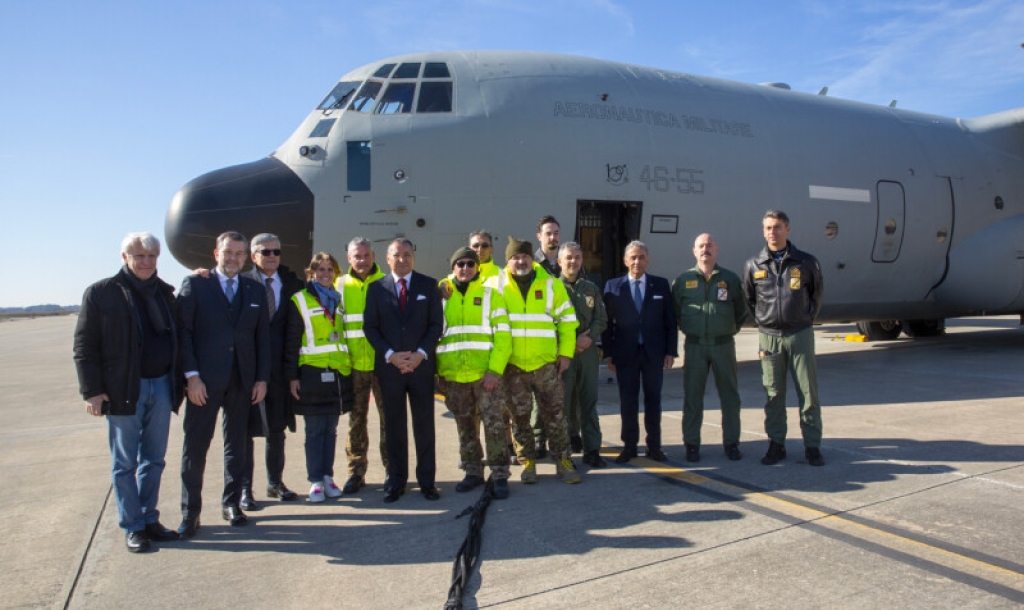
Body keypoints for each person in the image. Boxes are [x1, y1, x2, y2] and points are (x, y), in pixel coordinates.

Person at [73, 232, 182, 553]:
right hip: (124, 389)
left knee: (155, 459)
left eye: (151, 257)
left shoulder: (165, 294)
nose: (146, 262)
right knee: (125, 463)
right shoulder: (101, 294)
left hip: (161, 385)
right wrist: (91, 391)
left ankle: (149, 518)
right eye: (139, 256)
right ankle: (132, 525)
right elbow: (84, 346)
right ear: (125, 258)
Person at [176, 231, 270, 536]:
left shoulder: (254, 290)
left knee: (237, 446)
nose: (234, 258)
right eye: (229, 252)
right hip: (204, 382)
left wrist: (261, 379)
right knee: (196, 447)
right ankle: (191, 511)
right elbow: (183, 334)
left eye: (240, 254)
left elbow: (262, 339)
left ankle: (232, 503)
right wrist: (191, 377)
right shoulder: (196, 285)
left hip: (242, 381)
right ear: (216, 253)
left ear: (247, 257)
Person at [363, 239, 444, 503]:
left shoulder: (428, 285)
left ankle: (427, 482)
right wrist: (391, 356)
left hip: (420, 368)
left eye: (407, 255)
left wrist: (420, 354)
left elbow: (435, 326)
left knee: (424, 427)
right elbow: (370, 328)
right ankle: (396, 481)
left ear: (414, 257)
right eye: (397, 255)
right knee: (394, 428)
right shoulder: (376, 289)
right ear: (387, 259)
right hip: (391, 369)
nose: (402, 260)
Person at [742, 210, 825, 466]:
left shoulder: (806, 262)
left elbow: (816, 295)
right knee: (774, 394)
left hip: (799, 333)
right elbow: (750, 298)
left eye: (777, 227)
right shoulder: (754, 264)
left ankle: (812, 446)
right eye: (767, 227)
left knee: (808, 393)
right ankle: (776, 444)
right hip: (770, 337)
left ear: (787, 229)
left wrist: (804, 317)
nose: (772, 232)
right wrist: (765, 320)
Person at [497, 237, 581, 484]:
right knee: (520, 418)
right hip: (513, 367)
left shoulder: (552, 284)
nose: (520, 261)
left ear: (532, 258)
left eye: (524, 256)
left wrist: (565, 354)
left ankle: (563, 460)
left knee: (555, 415)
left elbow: (567, 321)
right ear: (508, 261)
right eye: (514, 257)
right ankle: (528, 462)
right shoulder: (496, 286)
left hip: (546, 365)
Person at [436, 247, 513, 498]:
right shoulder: (442, 297)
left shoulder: (491, 296)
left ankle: (500, 474)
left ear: (477, 267)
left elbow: (503, 337)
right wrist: (440, 373)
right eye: (460, 264)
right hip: (455, 376)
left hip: (485, 376)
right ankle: (472, 472)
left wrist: (494, 371)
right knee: (465, 426)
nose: (466, 268)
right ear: (453, 267)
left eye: (470, 264)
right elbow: (436, 337)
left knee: (494, 425)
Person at [239, 233, 304, 507]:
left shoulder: (292, 284)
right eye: (265, 252)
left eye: (276, 251)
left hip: (279, 370)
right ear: (253, 256)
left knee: (276, 431)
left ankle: (274, 483)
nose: (272, 256)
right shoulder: (242, 283)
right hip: (247, 370)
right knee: (243, 431)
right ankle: (244, 488)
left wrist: (292, 375)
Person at [671, 233, 748, 463]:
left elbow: (742, 311)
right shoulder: (683, 281)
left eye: (709, 245)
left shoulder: (730, 279)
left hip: (723, 345)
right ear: (694, 251)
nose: (705, 249)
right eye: (701, 246)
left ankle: (732, 443)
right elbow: (674, 312)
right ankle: (692, 444)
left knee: (730, 397)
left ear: (717, 250)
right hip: (694, 346)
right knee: (693, 397)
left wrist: (728, 330)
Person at [285, 253, 354, 502]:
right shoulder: (300, 301)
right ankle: (315, 479)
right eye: (320, 270)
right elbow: (292, 341)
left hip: (337, 372)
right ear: (311, 273)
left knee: (330, 430)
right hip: (312, 373)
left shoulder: (339, 300)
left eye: (330, 269)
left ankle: (327, 476)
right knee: (314, 430)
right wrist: (292, 376)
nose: (325, 274)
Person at [603, 241, 678, 464]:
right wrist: (609, 354)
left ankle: (654, 446)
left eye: (641, 257)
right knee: (628, 401)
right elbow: (607, 324)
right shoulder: (613, 286)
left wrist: (670, 351)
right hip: (625, 354)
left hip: (653, 353)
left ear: (648, 260)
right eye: (633, 257)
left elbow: (670, 321)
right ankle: (630, 446)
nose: (637, 262)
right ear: (625, 261)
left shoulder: (660, 285)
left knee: (654, 401)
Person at [335, 237, 388, 495]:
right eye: (357, 256)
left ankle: (392, 469)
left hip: (382, 365)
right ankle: (356, 471)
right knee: (356, 421)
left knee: (389, 420)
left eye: (366, 256)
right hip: (354, 365)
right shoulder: (339, 286)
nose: (362, 261)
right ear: (349, 258)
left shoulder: (386, 282)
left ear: (374, 256)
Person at [557, 241, 608, 467]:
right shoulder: (551, 289)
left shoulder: (591, 288)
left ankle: (592, 449)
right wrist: (569, 342)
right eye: (569, 257)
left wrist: (589, 337)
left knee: (589, 401)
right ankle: (563, 451)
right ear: (560, 261)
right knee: (563, 403)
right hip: (563, 354)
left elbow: (601, 318)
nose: (573, 261)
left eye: (577, 257)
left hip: (587, 352)